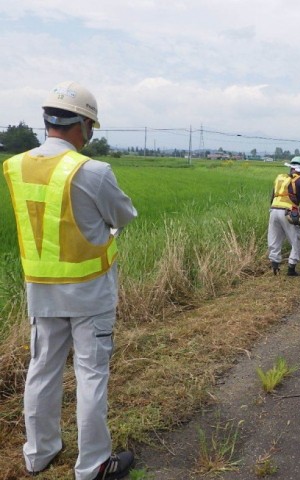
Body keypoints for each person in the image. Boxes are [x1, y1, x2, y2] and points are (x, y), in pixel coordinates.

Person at [3, 81, 138, 479]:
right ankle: (94, 463)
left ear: (47, 120)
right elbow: (124, 216)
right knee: (91, 374)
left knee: (41, 369)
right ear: (83, 125)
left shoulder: (13, 166)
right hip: (89, 292)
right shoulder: (93, 171)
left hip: (40, 291)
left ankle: (38, 454)